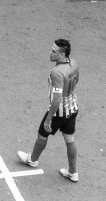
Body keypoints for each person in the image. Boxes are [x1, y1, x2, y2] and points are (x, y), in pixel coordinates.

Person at [16, 38, 82, 182]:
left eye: (54, 52)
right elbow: (76, 80)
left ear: (63, 55)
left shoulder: (56, 72)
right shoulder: (74, 63)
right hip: (73, 107)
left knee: (42, 134)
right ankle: (73, 172)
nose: (50, 53)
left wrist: (49, 118)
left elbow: (57, 99)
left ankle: (32, 160)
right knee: (70, 139)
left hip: (59, 111)